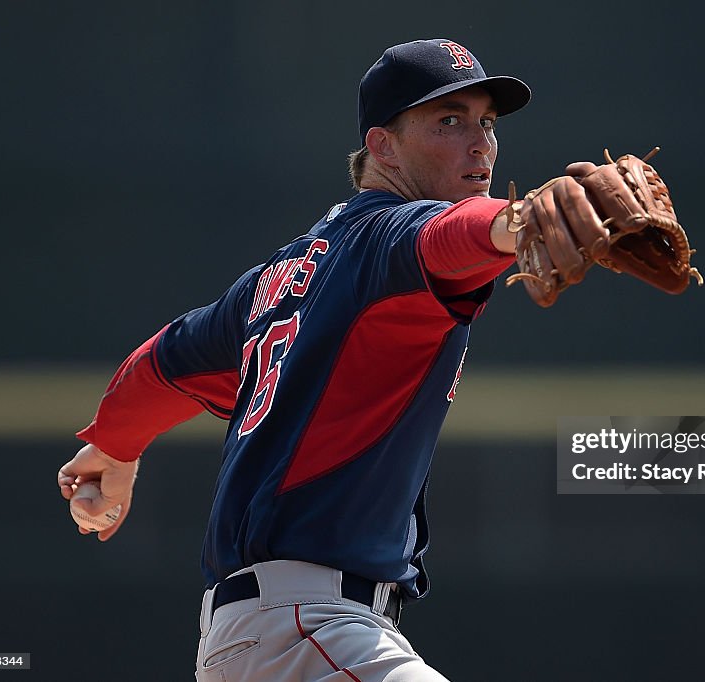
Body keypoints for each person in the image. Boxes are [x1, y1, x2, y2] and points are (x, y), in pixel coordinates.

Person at [58, 38, 537, 681]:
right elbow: (451, 235)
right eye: (448, 121)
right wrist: (521, 221)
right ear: (382, 146)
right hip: (310, 629)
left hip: (274, 634)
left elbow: (163, 363)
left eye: (486, 123)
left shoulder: (279, 279)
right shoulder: (386, 239)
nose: (479, 143)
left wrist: (114, 447)